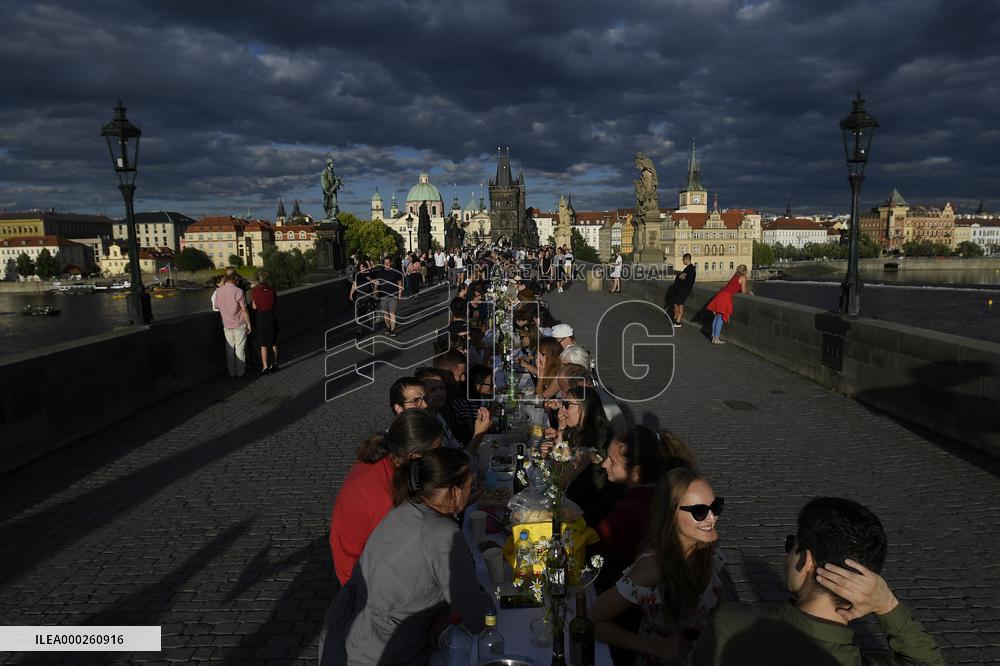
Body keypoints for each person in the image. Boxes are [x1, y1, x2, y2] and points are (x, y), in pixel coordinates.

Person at [694, 497, 945, 666]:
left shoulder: (728, 623)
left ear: (806, 560)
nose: (786, 555)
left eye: (791, 545)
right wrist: (887, 604)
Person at [322, 447, 493, 666]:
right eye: (471, 485)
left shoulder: (402, 510)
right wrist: (484, 601)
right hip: (383, 652)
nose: (473, 490)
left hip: (343, 640)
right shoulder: (443, 534)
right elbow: (474, 617)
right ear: (455, 493)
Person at [591, 467, 726, 666]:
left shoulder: (708, 547)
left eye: (716, 506)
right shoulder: (653, 568)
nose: (712, 518)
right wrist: (656, 647)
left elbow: (720, 604)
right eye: (699, 511)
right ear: (671, 514)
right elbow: (592, 621)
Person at [328, 409, 443, 585]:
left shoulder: (385, 457)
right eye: (438, 450)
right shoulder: (385, 501)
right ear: (413, 457)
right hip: (363, 581)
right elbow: (405, 556)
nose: (441, 456)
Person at [558, 386, 624, 527]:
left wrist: (561, 433)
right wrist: (561, 431)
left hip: (592, 518)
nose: (562, 410)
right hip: (581, 508)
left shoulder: (595, 441)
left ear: (584, 409)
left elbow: (559, 482)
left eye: (567, 405)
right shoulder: (579, 432)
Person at [215, 272, 252, 377]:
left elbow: (216, 306)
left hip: (226, 324)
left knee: (230, 350)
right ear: (235, 279)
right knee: (240, 349)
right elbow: (244, 310)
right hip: (239, 324)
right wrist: (249, 324)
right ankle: (240, 373)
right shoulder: (238, 291)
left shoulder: (219, 291)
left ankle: (232, 372)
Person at [705, 265, 752, 345]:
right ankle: (716, 339)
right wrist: (749, 292)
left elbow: (732, 285)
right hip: (726, 296)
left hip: (720, 294)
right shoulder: (743, 277)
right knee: (720, 318)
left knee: (716, 316)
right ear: (745, 271)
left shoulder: (735, 276)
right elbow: (743, 291)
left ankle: (713, 337)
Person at [250, 270, 279, 375]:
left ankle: (265, 366)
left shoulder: (255, 291)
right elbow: (275, 305)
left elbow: (254, 307)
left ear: (259, 280)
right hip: (271, 317)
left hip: (261, 318)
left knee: (263, 345)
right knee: (273, 343)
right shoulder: (272, 291)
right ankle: (274, 364)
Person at [374, 256, 403, 336]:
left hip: (393, 296)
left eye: (388, 262)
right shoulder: (380, 272)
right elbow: (377, 282)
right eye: (385, 263)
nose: (386, 264)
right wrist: (375, 290)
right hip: (383, 296)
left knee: (392, 313)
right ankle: (388, 327)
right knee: (386, 314)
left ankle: (392, 331)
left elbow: (399, 283)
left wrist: (400, 293)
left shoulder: (395, 272)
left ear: (391, 263)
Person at [665, 254, 696, 327]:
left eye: (683, 259)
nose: (682, 261)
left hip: (684, 290)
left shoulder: (689, 268)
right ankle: (676, 321)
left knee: (677, 305)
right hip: (684, 290)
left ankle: (676, 321)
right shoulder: (690, 268)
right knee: (679, 304)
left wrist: (679, 276)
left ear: (686, 259)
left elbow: (681, 276)